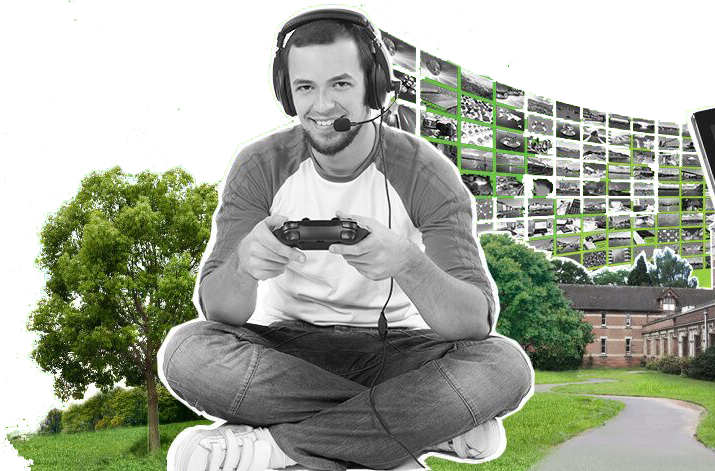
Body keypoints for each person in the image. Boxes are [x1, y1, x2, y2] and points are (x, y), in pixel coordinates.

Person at [158, 5, 532, 471]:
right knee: (185, 353)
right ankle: (423, 429)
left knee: (504, 366)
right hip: (286, 351)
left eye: (340, 84)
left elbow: (475, 323)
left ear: (374, 86)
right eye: (305, 88)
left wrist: (407, 263)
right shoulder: (259, 164)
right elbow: (219, 311)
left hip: (400, 350)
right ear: (286, 93)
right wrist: (244, 264)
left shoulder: (426, 172)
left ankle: (274, 449)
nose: (321, 106)